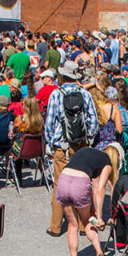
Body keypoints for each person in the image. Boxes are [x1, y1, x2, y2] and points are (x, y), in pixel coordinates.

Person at [45, 61, 99, 237]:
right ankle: (84, 226)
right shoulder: (85, 93)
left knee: (59, 185)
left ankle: (55, 226)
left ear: (62, 75)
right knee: (82, 184)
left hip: (62, 145)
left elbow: (49, 123)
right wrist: (88, 138)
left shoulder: (55, 94)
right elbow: (93, 120)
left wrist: (50, 142)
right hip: (80, 145)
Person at [55, 143, 123, 256]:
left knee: (72, 224)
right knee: (87, 221)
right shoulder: (107, 162)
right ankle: (99, 254)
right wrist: (98, 217)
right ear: (116, 157)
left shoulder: (91, 153)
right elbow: (99, 189)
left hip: (64, 178)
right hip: (79, 183)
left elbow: (95, 184)